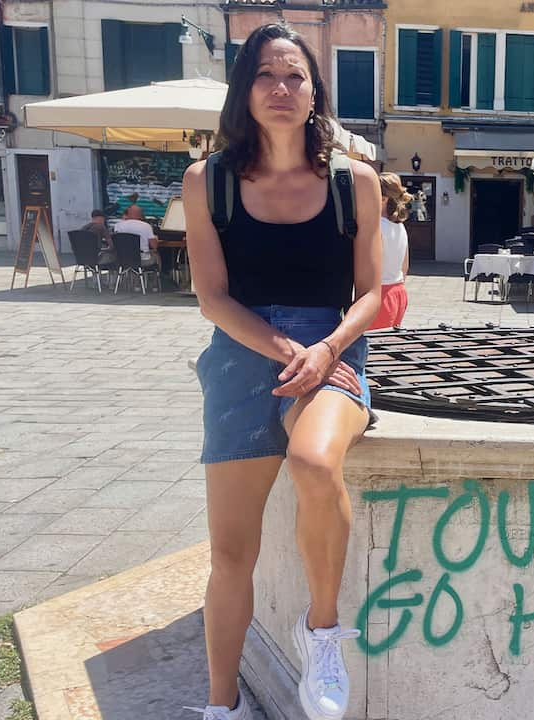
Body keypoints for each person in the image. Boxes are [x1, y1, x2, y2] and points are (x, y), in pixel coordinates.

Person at [180, 24, 382, 720]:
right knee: (231, 553)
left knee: (317, 464)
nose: (282, 88)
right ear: (244, 89)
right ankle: (220, 706)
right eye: (266, 75)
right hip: (241, 355)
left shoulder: (355, 182)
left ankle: (322, 633)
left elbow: (370, 295)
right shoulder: (209, 182)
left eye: (296, 76)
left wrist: (324, 350)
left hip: (330, 348)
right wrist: (279, 346)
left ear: (315, 92)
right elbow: (212, 296)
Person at [368, 172, 411, 330]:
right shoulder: (400, 226)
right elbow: (404, 267)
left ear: (384, 199)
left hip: (379, 295)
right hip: (398, 292)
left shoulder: (375, 226)